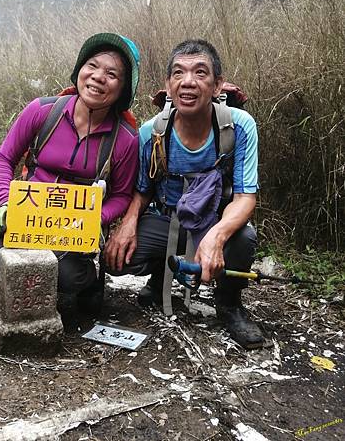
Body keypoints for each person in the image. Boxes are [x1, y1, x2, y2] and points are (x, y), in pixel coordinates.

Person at [104, 39, 264, 349]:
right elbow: (142, 190)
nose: (187, 82)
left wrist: (216, 237)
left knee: (243, 238)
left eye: (200, 72)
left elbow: (245, 197)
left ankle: (230, 305)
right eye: (178, 73)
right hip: (167, 220)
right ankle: (159, 278)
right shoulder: (152, 133)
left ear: (217, 85)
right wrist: (126, 225)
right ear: (168, 83)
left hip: (213, 221)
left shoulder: (238, 127)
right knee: (117, 261)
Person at [0, 33, 140, 315]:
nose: (98, 77)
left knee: (70, 278)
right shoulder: (42, 111)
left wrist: (92, 219)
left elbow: (122, 195)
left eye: (112, 74)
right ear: (79, 70)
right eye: (92, 65)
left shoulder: (125, 139)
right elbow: (4, 158)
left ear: (123, 89)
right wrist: (6, 204)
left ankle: (90, 281)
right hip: (27, 217)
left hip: (74, 231)